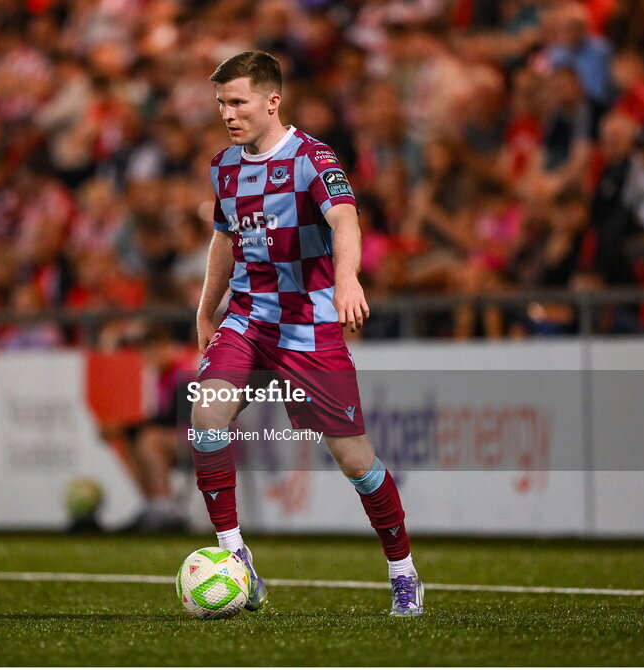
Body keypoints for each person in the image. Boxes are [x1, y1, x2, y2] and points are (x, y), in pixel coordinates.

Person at [189, 51, 422, 617]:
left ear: (272, 101)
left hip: (308, 329)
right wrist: (206, 308)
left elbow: (345, 218)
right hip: (247, 320)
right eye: (222, 103)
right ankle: (235, 557)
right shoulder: (224, 166)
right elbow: (225, 238)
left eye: (238, 101)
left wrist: (347, 279)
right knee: (205, 417)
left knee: (357, 463)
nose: (228, 113)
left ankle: (403, 571)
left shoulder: (313, 159)